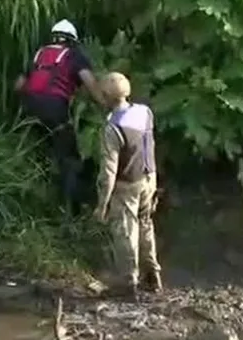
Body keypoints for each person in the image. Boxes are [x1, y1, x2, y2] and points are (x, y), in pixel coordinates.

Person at [15, 19, 106, 216]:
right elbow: (90, 83)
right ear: (72, 40)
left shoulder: (39, 54)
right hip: (55, 109)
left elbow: (19, 84)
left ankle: (32, 201)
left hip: (30, 108)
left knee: (38, 152)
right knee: (69, 158)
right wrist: (105, 106)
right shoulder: (74, 56)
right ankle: (70, 211)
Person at [93, 72, 163, 299]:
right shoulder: (145, 112)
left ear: (105, 97)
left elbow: (108, 171)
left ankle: (127, 284)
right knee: (145, 224)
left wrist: (102, 204)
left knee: (125, 232)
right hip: (150, 178)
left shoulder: (112, 128)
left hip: (128, 184)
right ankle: (152, 275)